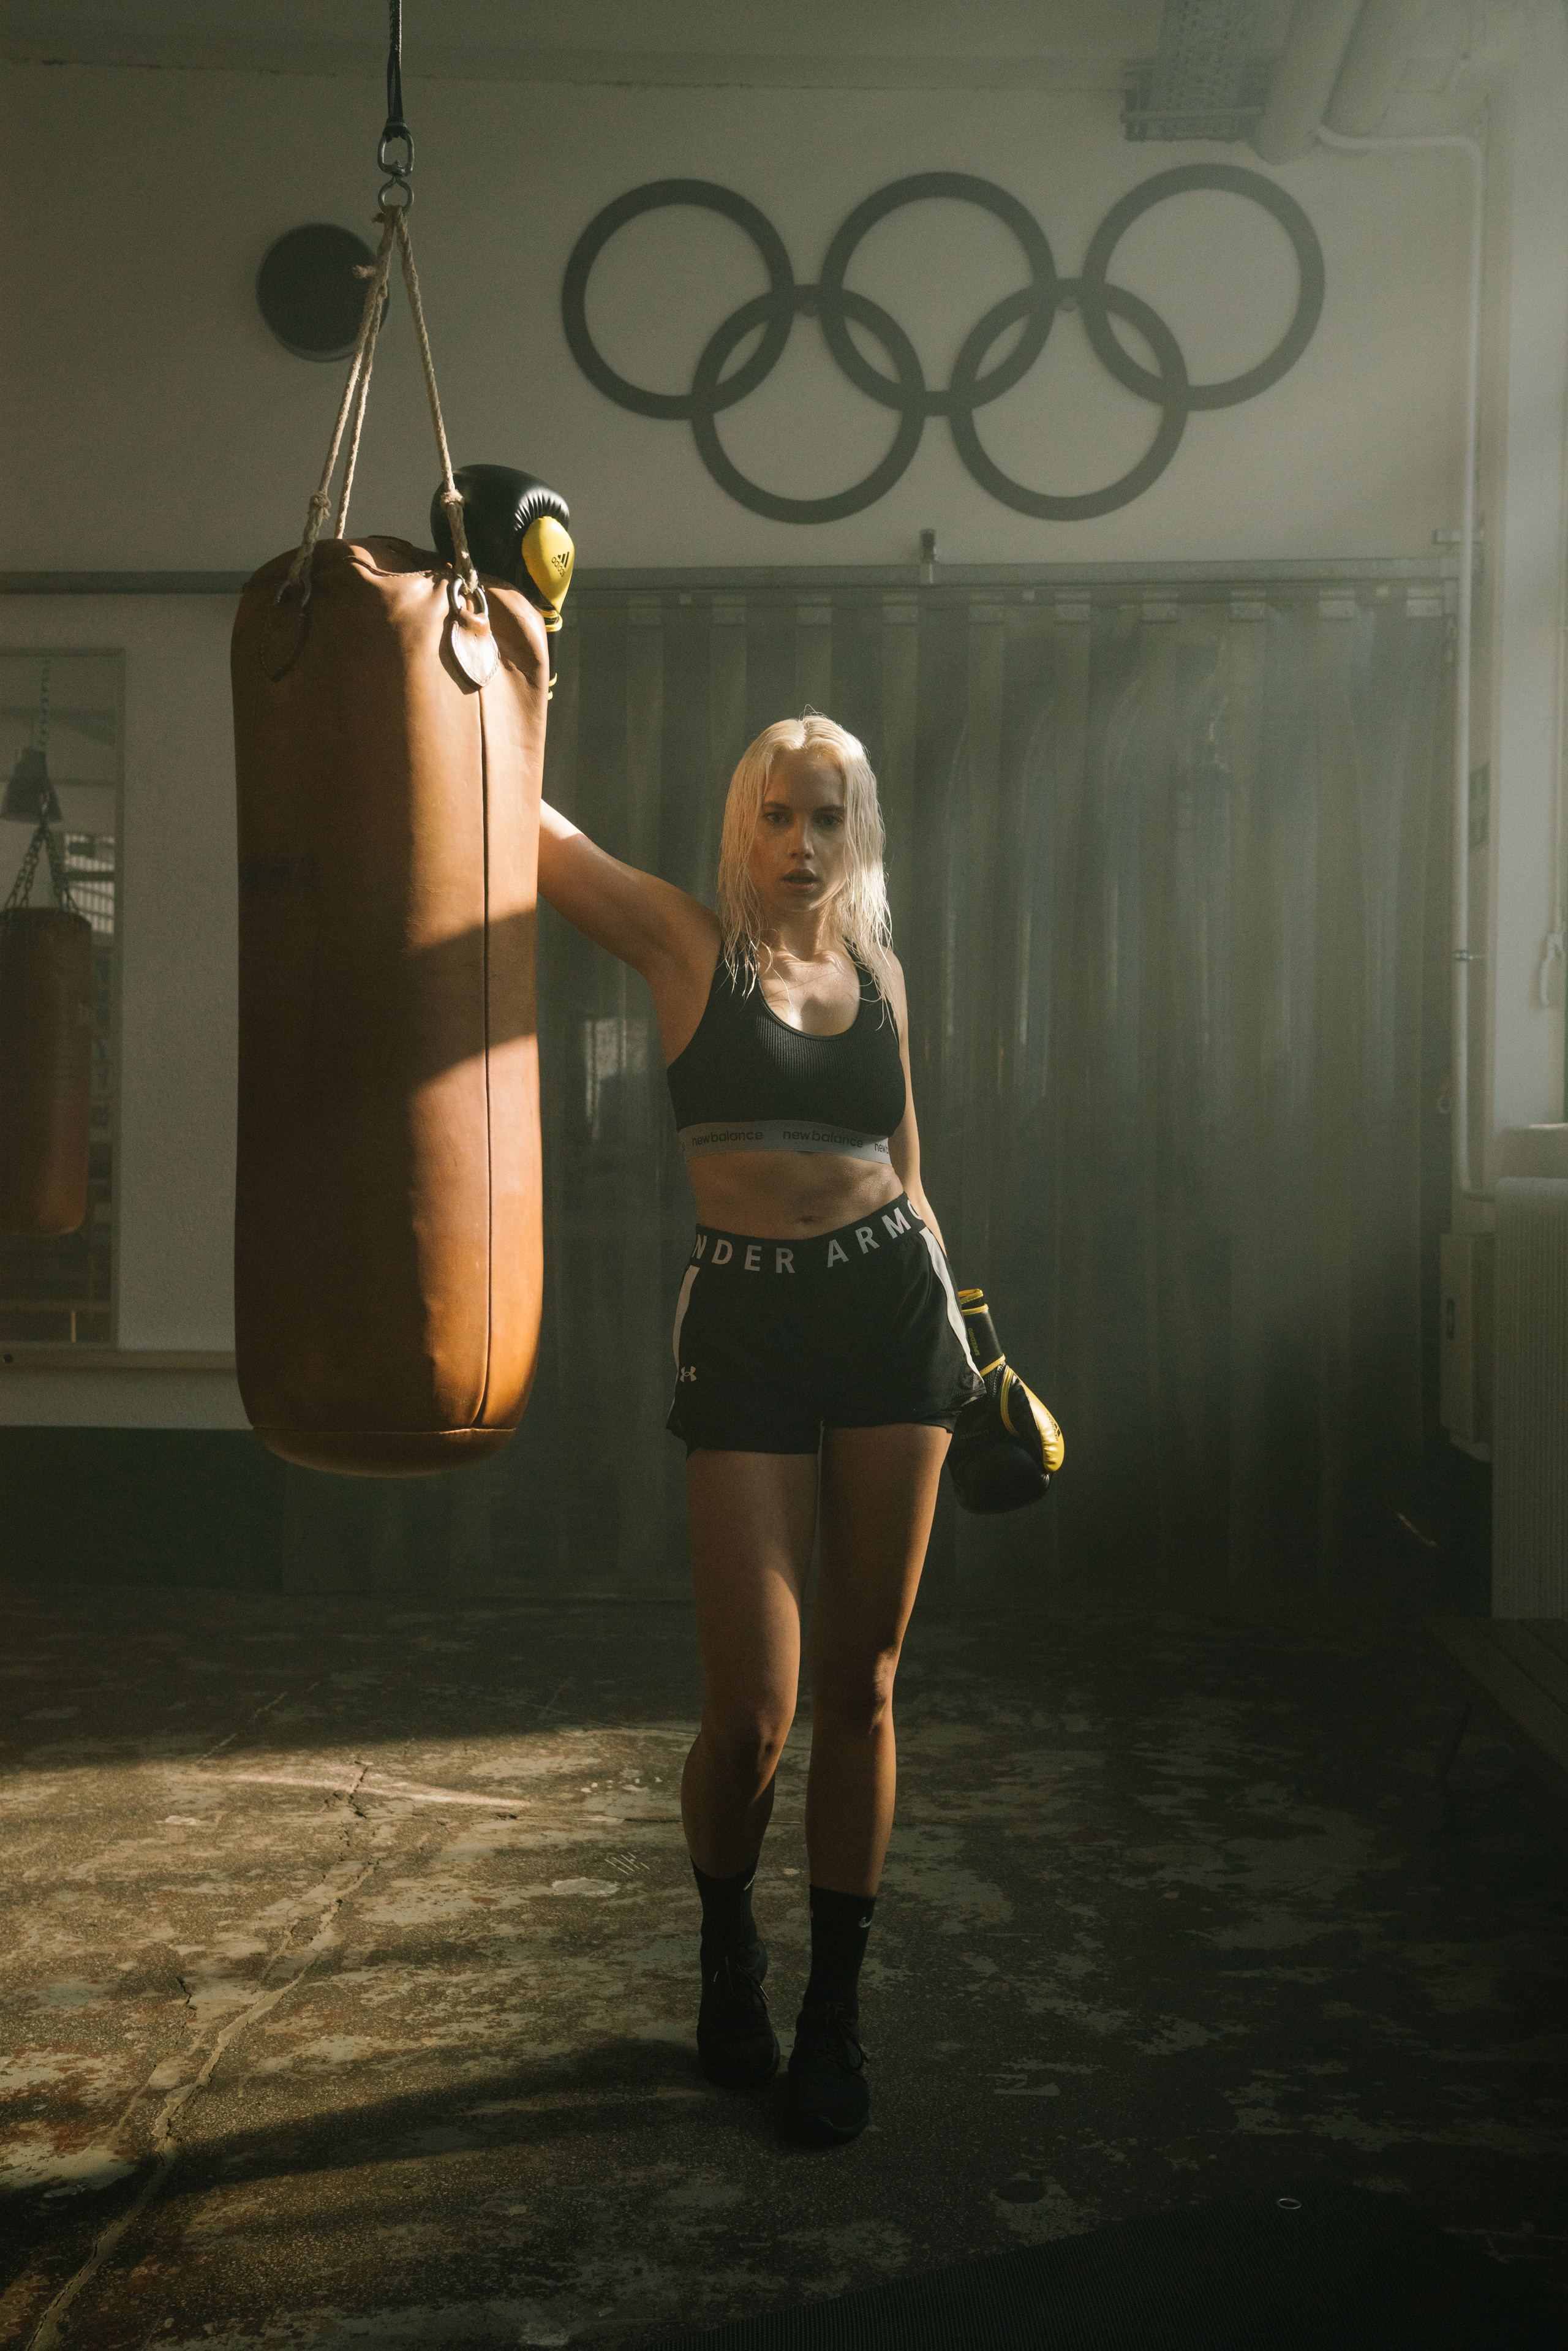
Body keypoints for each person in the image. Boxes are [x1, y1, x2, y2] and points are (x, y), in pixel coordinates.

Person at [535, 712, 982, 2144]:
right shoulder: (685, 949)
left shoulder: (882, 974)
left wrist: (970, 1341)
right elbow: (533, 839)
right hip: (743, 1325)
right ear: (743, 825)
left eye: (827, 817)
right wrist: (476, 653)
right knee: (754, 1715)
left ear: (859, 829)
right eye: (778, 816)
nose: (801, 844)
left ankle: (831, 2018)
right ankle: (726, 1934)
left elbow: (905, 1173)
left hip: (892, 1321)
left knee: (863, 1686)